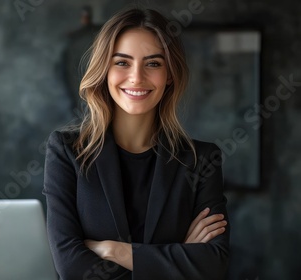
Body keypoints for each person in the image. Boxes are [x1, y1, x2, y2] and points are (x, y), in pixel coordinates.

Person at [43, 7, 230, 280]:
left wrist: (114, 251)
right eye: (122, 62)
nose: (136, 77)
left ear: (170, 76)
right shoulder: (67, 152)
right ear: (104, 70)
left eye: (153, 63)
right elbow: (71, 268)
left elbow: (215, 265)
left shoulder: (201, 160)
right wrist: (178, 259)